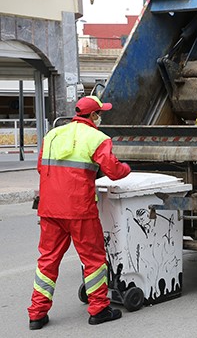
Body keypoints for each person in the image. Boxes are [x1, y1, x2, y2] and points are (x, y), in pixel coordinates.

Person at [28, 96, 131, 330]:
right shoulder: (97, 138)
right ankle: (98, 309)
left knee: (47, 261)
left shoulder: (52, 135)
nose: (100, 117)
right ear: (93, 116)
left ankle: (36, 314)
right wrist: (127, 168)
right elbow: (113, 171)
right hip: (79, 211)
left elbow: (40, 167)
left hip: (50, 210)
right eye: (100, 113)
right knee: (93, 260)